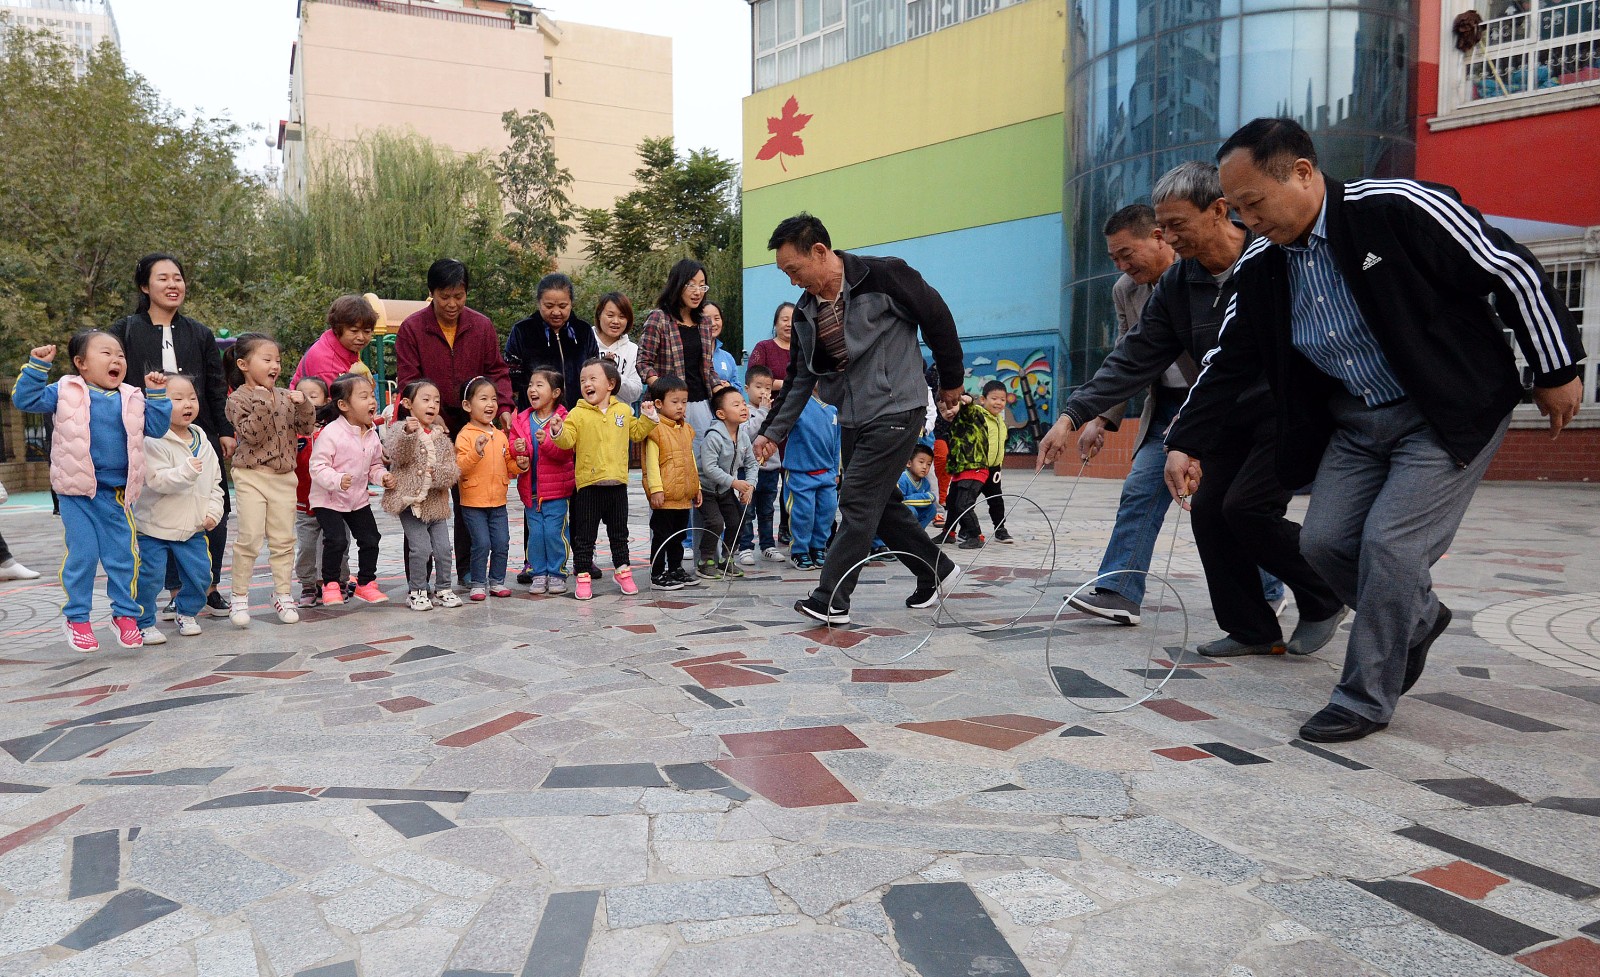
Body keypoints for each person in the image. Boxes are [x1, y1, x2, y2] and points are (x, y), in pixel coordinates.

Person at [1164, 118, 1584, 743]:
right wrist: (1184, 440)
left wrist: (1556, 367)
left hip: (1445, 409)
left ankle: (1363, 696)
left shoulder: (1397, 207)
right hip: (1359, 419)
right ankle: (1417, 616)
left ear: (1303, 173)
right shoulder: (1262, 263)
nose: (1248, 221)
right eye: (1239, 209)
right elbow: (1229, 360)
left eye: (1254, 203)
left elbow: (1511, 271)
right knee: (1324, 544)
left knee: (1390, 548)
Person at [1039, 161, 1343, 655]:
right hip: (1220, 414)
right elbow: (1134, 354)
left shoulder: (1276, 257)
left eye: (1177, 224)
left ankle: (1324, 592)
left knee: (1246, 508)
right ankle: (1251, 628)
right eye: (1163, 227)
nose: (1168, 236)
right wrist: (1074, 415)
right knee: (1209, 514)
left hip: (1287, 410)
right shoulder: (1178, 286)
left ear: (1220, 210)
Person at [755, 213, 964, 623]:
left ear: (819, 251)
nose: (793, 282)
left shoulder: (883, 277)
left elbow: (937, 317)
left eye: (794, 270)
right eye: (786, 274)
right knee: (879, 504)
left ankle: (830, 597)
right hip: (851, 418)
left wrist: (951, 380)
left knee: (855, 501)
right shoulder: (805, 314)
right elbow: (799, 379)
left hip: (898, 408)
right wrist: (771, 432)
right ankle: (937, 569)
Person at [1038, 203, 1181, 623]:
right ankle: (1119, 591)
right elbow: (1126, 356)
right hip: (1166, 405)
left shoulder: (1196, 277)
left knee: (1229, 506)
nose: (1120, 265)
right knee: (1140, 489)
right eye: (1113, 258)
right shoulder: (1126, 290)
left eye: (1125, 254)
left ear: (1158, 236)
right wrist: (1097, 418)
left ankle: (1269, 588)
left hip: (1215, 402)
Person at [13, 333, 171, 652]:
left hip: (115, 494)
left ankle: (125, 615)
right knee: (83, 555)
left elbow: (155, 428)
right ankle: (77, 618)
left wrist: (157, 396)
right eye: (106, 353)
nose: (116, 360)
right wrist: (37, 367)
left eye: (121, 355)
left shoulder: (132, 396)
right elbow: (25, 400)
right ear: (81, 364)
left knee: (123, 557)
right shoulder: (65, 391)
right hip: (77, 493)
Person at [109, 252, 233, 618]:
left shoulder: (200, 333)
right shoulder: (125, 331)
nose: (172, 284)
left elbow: (215, 385)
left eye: (177, 277)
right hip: (148, 436)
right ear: (145, 286)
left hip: (199, 432)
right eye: (162, 278)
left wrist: (224, 430)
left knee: (215, 506)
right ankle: (174, 587)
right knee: (158, 507)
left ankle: (207, 585)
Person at [395, 259, 514, 582]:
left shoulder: (482, 326)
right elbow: (409, 378)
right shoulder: (412, 328)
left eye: (459, 296)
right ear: (431, 293)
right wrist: (429, 418)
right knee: (422, 497)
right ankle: (419, 578)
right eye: (444, 296)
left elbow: (496, 370)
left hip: (471, 424)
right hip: (426, 428)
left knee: (469, 501)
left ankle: (465, 571)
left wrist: (502, 404)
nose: (452, 304)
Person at [225, 334, 316, 628]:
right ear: (243, 364)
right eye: (267, 359)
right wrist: (264, 401)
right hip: (251, 475)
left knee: (283, 540)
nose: (275, 365)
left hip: (284, 477)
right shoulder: (237, 399)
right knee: (249, 538)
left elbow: (306, 427)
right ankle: (239, 596)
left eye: (277, 360)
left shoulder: (285, 396)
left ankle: (283, 594)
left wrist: (303, 405)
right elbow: (251, 434)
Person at [549, 358, 658, 601]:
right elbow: (567, 441)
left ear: (610, 384)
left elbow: (637, 432)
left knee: (619, 532)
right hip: (588, 485)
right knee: (585, 535)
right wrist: (557, 430)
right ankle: (583, 575)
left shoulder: (623, 410)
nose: (586, 384)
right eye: (582, 380)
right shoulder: (577, 414)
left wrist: (649, 417)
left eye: (592, 379)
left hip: (617, 485)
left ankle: (623, 571)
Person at [132, 374, 224, 644]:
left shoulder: (203, 440)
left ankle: (186, 612)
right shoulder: (153, 440)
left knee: (201, 575)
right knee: (149, 577)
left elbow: (215, 483)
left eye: (192, 398)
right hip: (154, 528)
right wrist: (185, 472)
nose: (188, 404)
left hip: (192, 528)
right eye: (178, 398)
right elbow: (157, 481)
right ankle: (144, 622)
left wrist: (214, 512)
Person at [309, 373, 395, 607]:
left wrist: (383, 476)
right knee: (336, 540)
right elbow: (317, 467)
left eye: (372, 396)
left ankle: (366, 583)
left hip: (357, 498)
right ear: (344, 405)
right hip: (328, 498)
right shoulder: (331, 433)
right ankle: (330, 585)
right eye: (364, 396)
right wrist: (337, 480)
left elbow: (375, 465)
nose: (372, 402)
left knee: (371, 539)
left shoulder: (371, 433)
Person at [384, 380, 462, 611]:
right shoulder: (399, 430)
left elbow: (452, 470)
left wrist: (436, 474)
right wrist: (408, 433)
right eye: (426, 399)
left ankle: (443, 588)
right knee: (420, 548)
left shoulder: (441, 437)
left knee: (443, 549)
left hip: (435, 504)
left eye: (436, 401)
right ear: (408, 403)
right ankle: (417, 590)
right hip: (410, 504)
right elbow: (398, 455)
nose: (432, 405)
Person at [637, 259, 727, 444]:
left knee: (702, 464)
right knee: (670, 465)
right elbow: (643, 363)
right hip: (667, 408)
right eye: (691, 285)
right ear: (677, 284)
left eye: (702, 286)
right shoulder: (659, 318)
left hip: (701, 404)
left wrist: (724, 394)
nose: (697, 292)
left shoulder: (705, 322)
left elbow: (707, 368)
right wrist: (665, 390)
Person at [455, 377, 522, 601]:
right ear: (467, 406)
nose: (490, 404)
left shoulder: (501, 434)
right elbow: (460, 468)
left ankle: (497, 581)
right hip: (473, 502)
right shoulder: (465, 435)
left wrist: (521, 463)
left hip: (498, 501)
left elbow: (509, 464)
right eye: (483, 399)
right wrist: (476, 451)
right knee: (481, 543)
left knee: (502, 542)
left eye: (493, 399)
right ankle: (477, 582)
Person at [510, 370, 575, 595]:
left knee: (554, 533)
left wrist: (548, 441)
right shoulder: (521, 419)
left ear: (555, 392)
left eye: (539, 385)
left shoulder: (564, 419)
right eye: (530, 385)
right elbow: (514, 444)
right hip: (531, 491)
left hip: (556, 491)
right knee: (536, 534)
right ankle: (538, 573)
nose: (532, 390)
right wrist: (518, 449)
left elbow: (566, 452)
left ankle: (557, 573)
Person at [506, 273, 598, 411]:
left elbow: (595, 373)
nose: (556, 312)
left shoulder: (583, 331)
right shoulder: (523, 331)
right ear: (539, 302)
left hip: (579, 416)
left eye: (562, 306)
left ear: (571, 303)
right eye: (549, 306)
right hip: (534, 417)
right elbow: (511, 377)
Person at [643, 374, 702, 590]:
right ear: (658, 404)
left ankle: (675, 568)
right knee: (662, 536)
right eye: (674, 402)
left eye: (684, 402)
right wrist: (656, 490)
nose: (680, 407)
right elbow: (651, 464)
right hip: (665, 496)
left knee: (679, 535)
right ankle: (657, 573)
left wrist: (696, 487)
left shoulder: (686, 429)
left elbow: (691, 458)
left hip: (682, 495)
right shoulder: (655, 430)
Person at [292, 377, 347, 607]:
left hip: (333, 501)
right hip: (304, 503)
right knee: (306, 547)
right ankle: (308, 583)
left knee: (337, 543)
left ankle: (337, 582)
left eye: (312, 396)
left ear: (326, 400)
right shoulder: (291, 432)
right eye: (300, 395)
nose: (305, 400)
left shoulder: (334, 430)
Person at [939, 382, 1012, 548]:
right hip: (974, 466)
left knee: (995, 502)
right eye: (994, 398)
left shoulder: (1001, 421)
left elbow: (1000, 446)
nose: (998, 402)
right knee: (957, 500)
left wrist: (999, 466)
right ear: (983, 399)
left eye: (1002, 399)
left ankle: (1000, 529)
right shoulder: (978, 413)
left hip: (991, 469)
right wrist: (966, 401)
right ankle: (951, 532)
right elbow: (968, 409)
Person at [695, 386, 757, 579]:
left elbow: (752, 463)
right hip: (706, 490)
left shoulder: (743, 436)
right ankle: (705, 560)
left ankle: (727, 558)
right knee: (716, 522)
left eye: (743, 403)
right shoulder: (713, 437)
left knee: (737, 521)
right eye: (736, 404)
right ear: (721, 413)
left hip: (726, 489)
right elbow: (709, 468)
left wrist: (750, 486)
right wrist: (734, 483)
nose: (743, 408)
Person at [781, 389, 841, 571]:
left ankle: (818, 547)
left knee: (827, 511)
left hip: (827, 473)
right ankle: (799, 551)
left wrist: (836, 470)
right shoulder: (798, 403)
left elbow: (837, 440)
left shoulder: (834, 407)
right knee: (803, 513)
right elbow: (780, 425)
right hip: (801, 472)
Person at [735, 364, 785, 564]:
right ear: (746, 389)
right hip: (747, 471)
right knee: (747, 511)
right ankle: (745, 546)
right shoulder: (743, 411)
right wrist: (763, 412)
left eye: (767, 387)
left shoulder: (773, 411)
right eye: (758, 387)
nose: (764, 392)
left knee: (767, 511)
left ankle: (768, 545)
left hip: (770, 469)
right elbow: (746, 433)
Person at [290, 295, 377, 388]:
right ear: (337, 329)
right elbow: (337, 401)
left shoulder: (345, 348)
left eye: (367, 331)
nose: (361, 337)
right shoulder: (327, 363)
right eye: (354, 331)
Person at [593, 292, 643, 406]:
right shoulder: (585, 342)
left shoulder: (633, 350)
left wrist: (613, 374)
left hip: (621, 419)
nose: (616, 321)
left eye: (622, 317)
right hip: (587, 418)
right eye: (610, 315)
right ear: (599, 315)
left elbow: (635, 393)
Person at [748, 302, 795, 394]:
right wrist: (787, 384)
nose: (789, 324)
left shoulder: (804, 350)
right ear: (775, 323)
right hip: (771, 405)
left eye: (793, 320)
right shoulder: (763, 348)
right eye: (785, 320)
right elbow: (754, 379)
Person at [704, 300, 743, 392]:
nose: (713, 324)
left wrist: (729, 386)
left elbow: (739, 388)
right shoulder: (693, 353)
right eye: (707, 319)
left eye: (717, 318)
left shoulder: (727, 357)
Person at [900, 444, 938, 531]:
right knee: (911, 510)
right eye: (921, 462)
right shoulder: (902, 478)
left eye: (928, 464)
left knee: (932, 509)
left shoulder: (925, 482)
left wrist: (927, 498)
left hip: (915, 511)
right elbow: (900, 501)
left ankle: (917, 533)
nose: (925, 467)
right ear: (909, 463)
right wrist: (925, 498)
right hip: (899, 514)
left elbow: (930, 499)